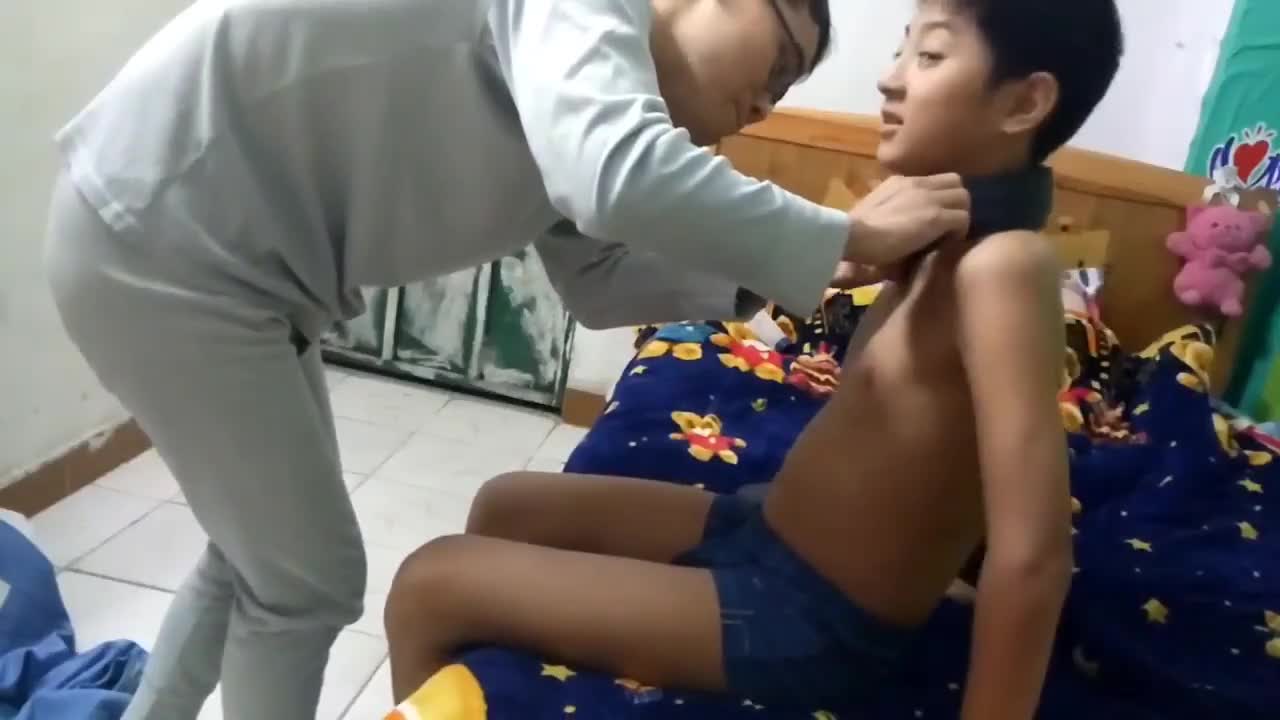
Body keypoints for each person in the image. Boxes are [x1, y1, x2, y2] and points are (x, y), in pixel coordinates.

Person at [42, 0, 973, 718]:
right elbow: (615, 175)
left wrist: (784, 273)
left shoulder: (584, 93)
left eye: (788, 88)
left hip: (219, 263)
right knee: (305, 583)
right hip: (165, 236)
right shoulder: (585, 19)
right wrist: (841, 230)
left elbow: (598, 281)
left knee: (256, 558)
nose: (768, 103)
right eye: (778, 62)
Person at [383, 0, 1125, 717]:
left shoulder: (1005, 265)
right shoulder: (934, 247)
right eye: (903, 48)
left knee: (430, 585)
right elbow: (943, 458)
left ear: (1024, 103)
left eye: (928, 55)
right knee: (506, 504)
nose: (890, 77)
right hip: (764, 529)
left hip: (806, 618)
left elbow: (1034, 551)